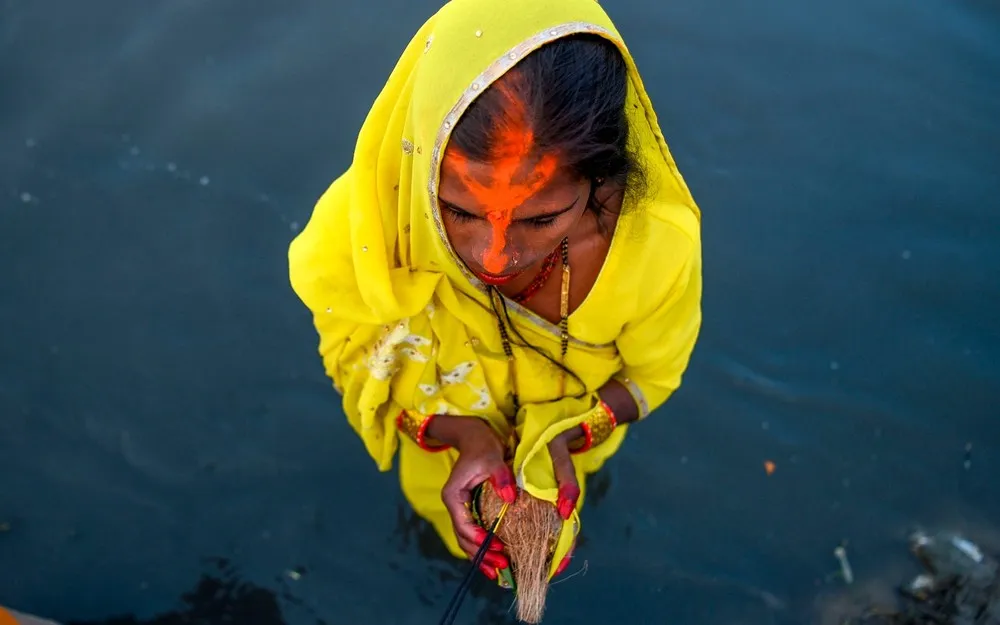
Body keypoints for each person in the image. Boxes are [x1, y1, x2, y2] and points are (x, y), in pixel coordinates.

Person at [288, 0, 702, 585]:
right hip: (446, 469)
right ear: (423, 161)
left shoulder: (653, 246)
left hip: (572, 469)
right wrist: (464, 436)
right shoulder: (368, 230)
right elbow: (354, 357)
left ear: (602, 178)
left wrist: (565, 439)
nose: (492, 256)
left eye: (541, 219)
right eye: (458, 210)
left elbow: (654, 375)